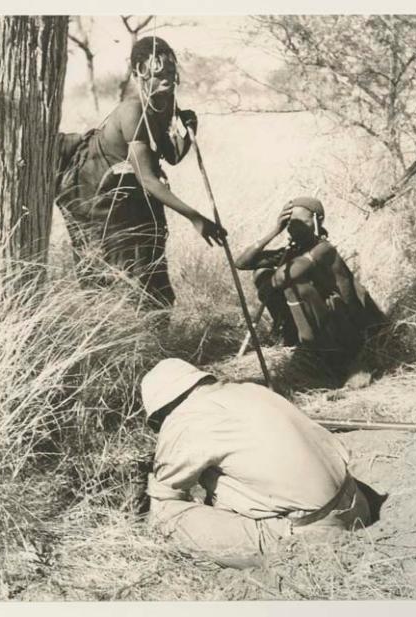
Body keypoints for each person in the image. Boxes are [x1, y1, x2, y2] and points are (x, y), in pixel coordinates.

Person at [141, 358, 385, 568]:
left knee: (165, 518)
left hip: (313, 537)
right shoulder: (249, 389)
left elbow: (165, 496)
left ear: (163, 409)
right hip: (357, 503)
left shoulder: (186, 419)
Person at [56, 36, 225, 307]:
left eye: (170, 72)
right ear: (139, 72)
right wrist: (195, 218)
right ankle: (114, 336)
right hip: (97, 197)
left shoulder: (164, 104)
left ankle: (152, 337)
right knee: (115, 278)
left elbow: (170, 156)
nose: (167, 79)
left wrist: (188, 131)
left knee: (150, 277)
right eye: (158, 73)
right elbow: (148, 178)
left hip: (127, 193)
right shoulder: (134, 109)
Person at [235, 196, 387, 383]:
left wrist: (269, 285)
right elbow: (241, 263)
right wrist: (275, 231)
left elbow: (284, 276)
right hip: (323, 323)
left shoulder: (324, 249)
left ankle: (314, 354)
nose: (292, 228)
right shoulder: (290, 252)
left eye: (298, 222)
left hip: (348, 329)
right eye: (288, 223)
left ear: (317, 220)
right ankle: (294, 339)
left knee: (293, 284)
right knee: (261, 272)